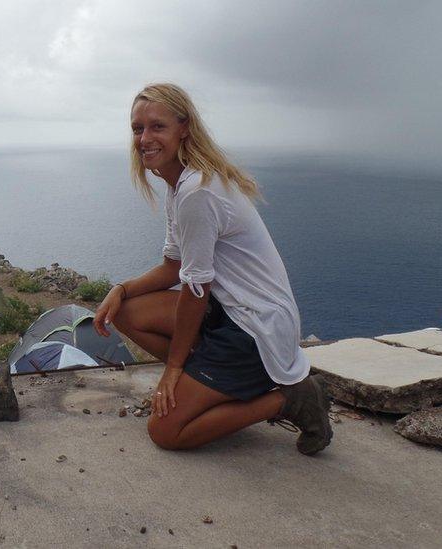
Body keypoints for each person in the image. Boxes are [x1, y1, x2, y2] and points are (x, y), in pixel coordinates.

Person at [93, 83, 332, 455]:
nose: (144, 138)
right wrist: (121, 289)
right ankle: (206, 378)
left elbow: (195, 289)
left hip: (255, 329)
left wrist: (173, 370)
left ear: (183, 128)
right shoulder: (181, 184)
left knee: (166, 432)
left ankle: (292, 399)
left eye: (157, 127)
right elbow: (174, 268)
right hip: (229, 312)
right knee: (125, 312)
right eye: (138, 129)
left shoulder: (197, 191)